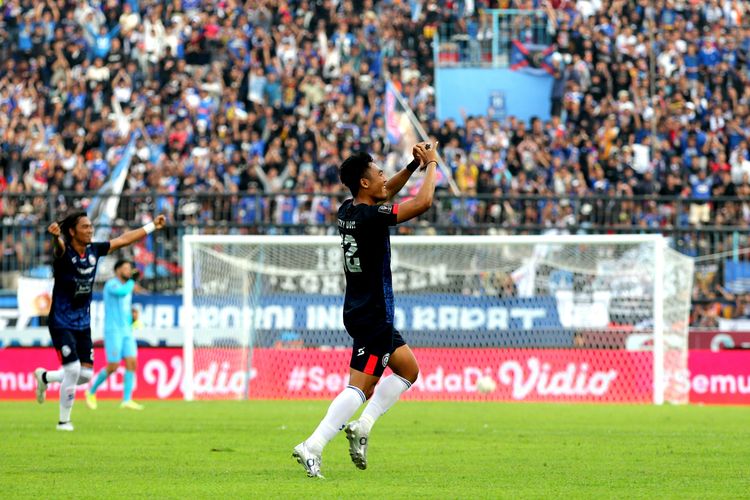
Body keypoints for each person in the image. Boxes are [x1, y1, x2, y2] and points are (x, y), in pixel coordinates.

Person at [293, 142, 440, 478]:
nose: (383, 177)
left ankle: (363, 425)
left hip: (361, 309)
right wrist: (432, 164)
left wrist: (413, 166)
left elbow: (386, 191)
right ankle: (312, 446)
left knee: (408, 370)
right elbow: (423, 202)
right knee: (361, 386)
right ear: (364, 183)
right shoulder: (372, 218)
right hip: (374, 313)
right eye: (378, 173)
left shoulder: (348, 210)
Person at [33, 212, 166, 431]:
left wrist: (152, 226)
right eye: (85, 227)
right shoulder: (64, 251)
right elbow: (59, 248)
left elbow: (124, 239)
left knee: (84, 375)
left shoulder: (95, 250)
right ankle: (63, 421)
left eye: (91, 226)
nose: (90, 230)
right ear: (73, 232)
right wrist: (55, 237)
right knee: (73, 369)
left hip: (83, 323)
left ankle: (45, 377)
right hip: (60, 321)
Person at [85, 260, 146, 411]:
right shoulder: (111, 285)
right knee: (113, 366)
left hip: (126, 331)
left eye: (129, 268)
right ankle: (91, 392)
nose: (128, 271)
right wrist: (133, 281)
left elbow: (124, 304)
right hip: (113, 331)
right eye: (125, 268)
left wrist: (133, 316)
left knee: (132, 363)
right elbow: (123, 292)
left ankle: (126, 400)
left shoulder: (127, 285)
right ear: (117, 270)